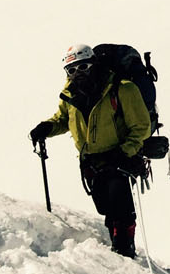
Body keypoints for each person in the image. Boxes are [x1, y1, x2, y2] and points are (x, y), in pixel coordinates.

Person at [29, 42, 151, 258]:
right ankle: (119, 247)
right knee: (106, 208)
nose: (78, 73)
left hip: (120, 158)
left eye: (83, 67)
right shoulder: (71, 94)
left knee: (120, 207)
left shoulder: (123, 88)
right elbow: (64, 119)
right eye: (72, 70)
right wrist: (47, 127)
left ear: (94, 63)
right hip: (91, 162)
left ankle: (124, 251)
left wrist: (126, 151)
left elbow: (141, 126)